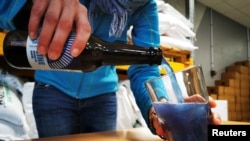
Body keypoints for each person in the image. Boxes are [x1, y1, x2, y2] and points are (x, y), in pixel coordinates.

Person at [1, 0, 221, 139]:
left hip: (103, 98)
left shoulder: (144, 6)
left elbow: (146, 66)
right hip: (51, 90)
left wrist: (160, 111)